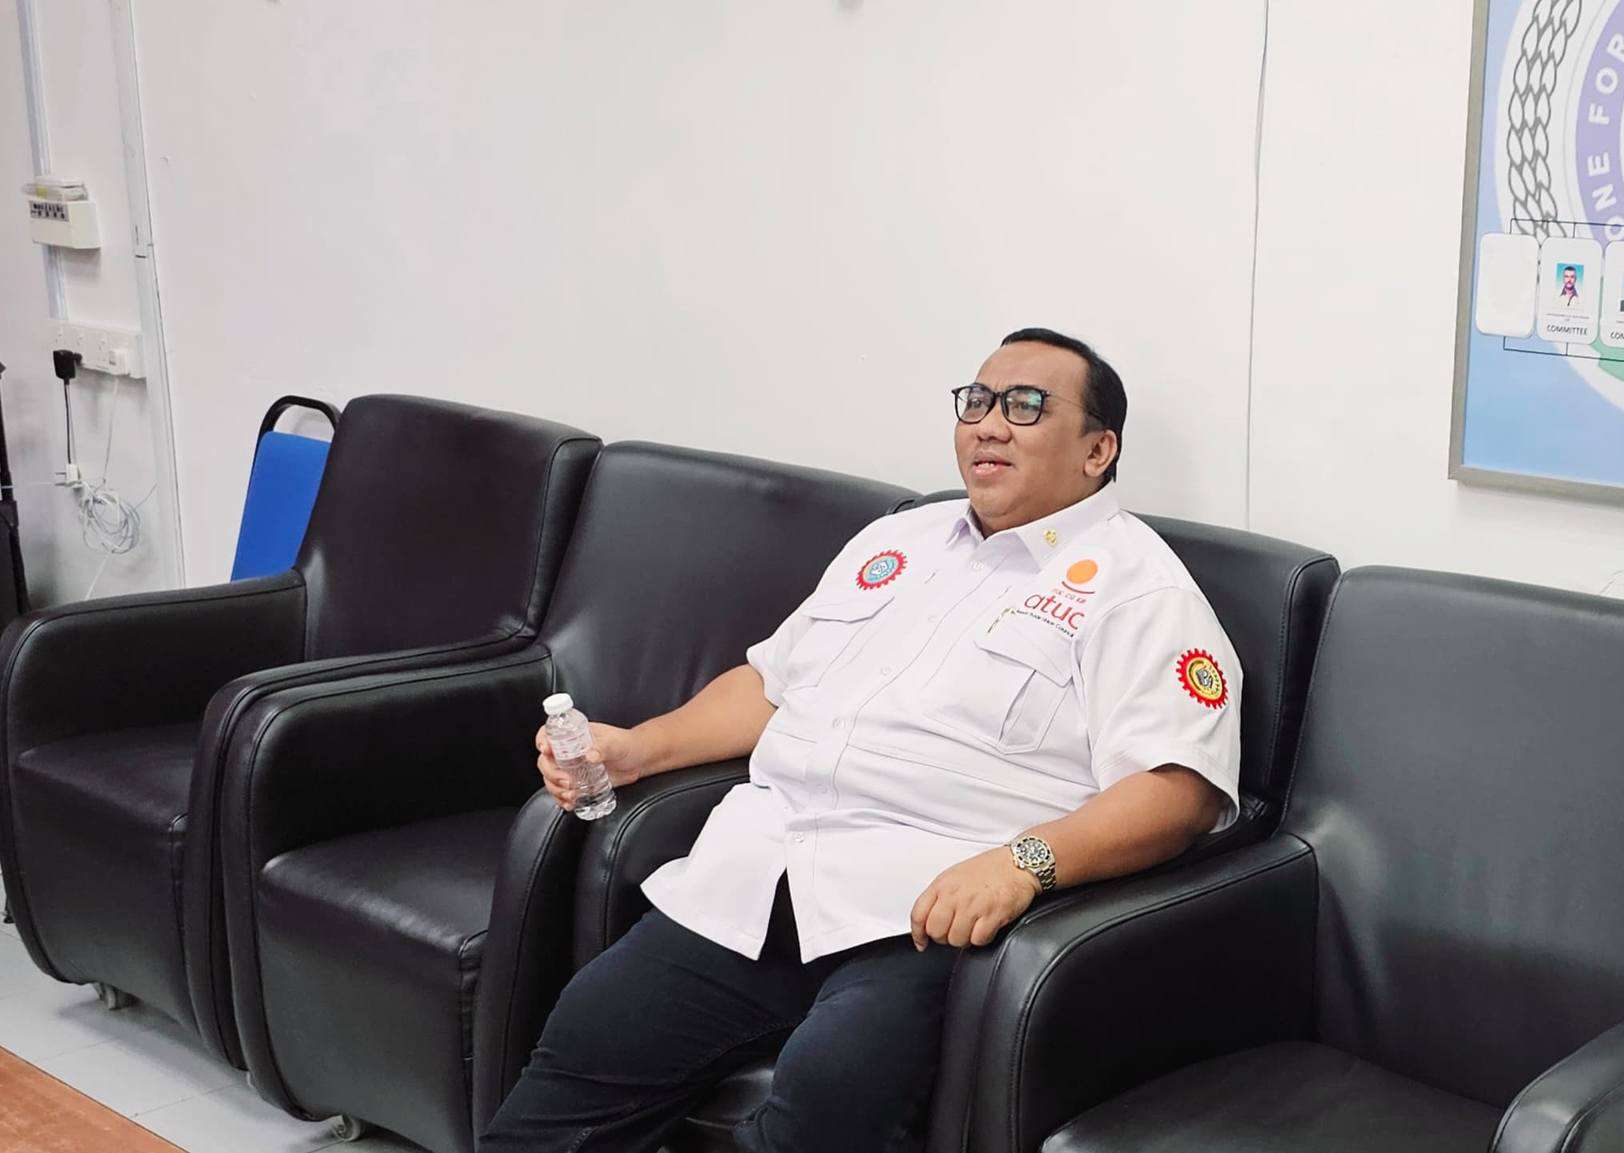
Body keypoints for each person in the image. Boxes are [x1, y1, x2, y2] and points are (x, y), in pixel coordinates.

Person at [480, 328, 1242, 1153]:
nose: (990, 424)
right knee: (593, 1027)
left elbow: (1179, 791)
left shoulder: (1139, 589)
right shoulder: (899, 540)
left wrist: (1023, 863)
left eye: (1027, 406)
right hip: (762, 872)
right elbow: (774, 683)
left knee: (832, 1091)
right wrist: (638, 747)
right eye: (977, 401)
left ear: (1098, 450)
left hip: (932, 917)